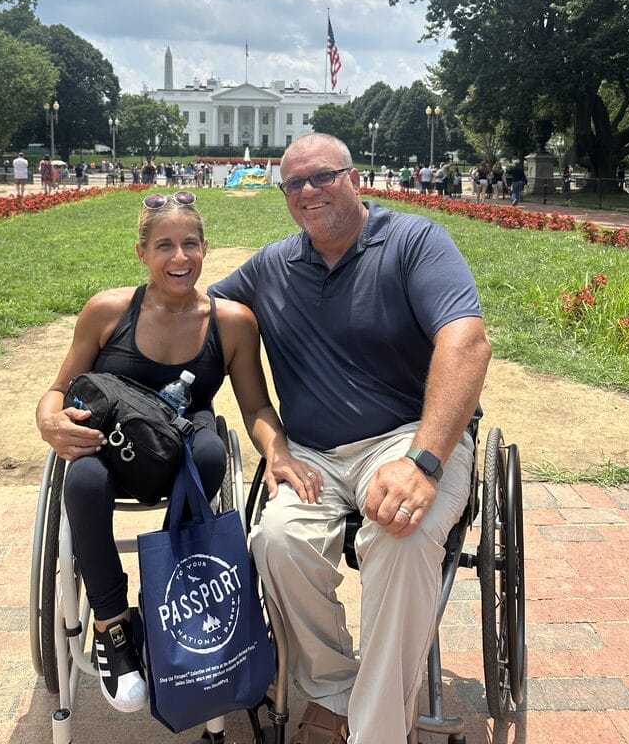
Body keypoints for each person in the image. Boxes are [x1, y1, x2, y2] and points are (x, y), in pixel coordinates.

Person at [210, 134, 491, 744]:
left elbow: (466, 342)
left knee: (400, 533)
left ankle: (378, 732)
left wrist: (423, 461)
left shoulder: (415, 242)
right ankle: (336, 694)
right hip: (312, 453)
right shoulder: (272, 265)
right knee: (276, 542)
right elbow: (192, 316)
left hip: (407, 437)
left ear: (354, 178)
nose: (309, 191)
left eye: (323, 176)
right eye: (294, 183)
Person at [36, 192, 308, 715]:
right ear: (142, 253)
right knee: (83, 481)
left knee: (209, 451)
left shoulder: (231, 322)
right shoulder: (108, 311)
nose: (178, 258)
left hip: (183, 450)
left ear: (206, 249)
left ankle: (172, 604)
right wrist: (49, 420)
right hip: (112, 443)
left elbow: (255, 406)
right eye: (164, 246)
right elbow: (57, 389)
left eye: (190, 244)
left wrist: (278, 452)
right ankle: (113, 625)